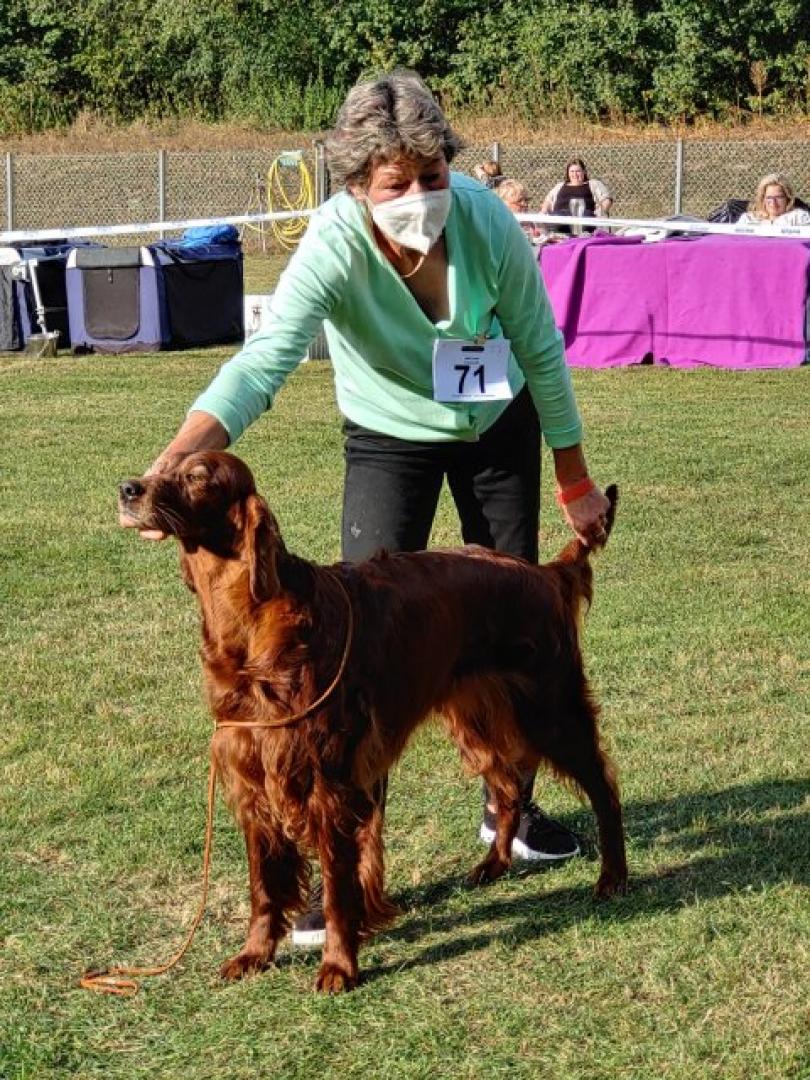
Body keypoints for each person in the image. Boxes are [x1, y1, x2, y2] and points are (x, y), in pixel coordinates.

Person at [132, 70, 611, 948]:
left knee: (510, 628)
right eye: (397, 183)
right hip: (388, 436)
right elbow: (265, 360)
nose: (421, 197)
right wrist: (175, 458)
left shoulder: (488, 220)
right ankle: (348, 874)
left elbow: (542, 348)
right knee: (360, 660)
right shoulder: (331, 246)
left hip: (497, 427)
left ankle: (512, 813)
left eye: (432, 175)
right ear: (357, 184)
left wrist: (574, 480)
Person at [540, 157, 613, 219]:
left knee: (587, 215)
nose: (575, 174)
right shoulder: (559, 186)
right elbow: (548, 201)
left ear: (584, 172)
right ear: (568, 173)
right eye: (572, 171)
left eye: (578, 171)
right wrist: (544, 211)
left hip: (586, 220)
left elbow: (606, 199)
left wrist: (601, 211)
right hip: (560, 220)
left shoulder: (594, 184)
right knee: (558, 215)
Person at [736, 173, 810, 226]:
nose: (773, 202)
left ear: (788, 198)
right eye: (769, 198)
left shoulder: (799, 218)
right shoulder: (748, 219)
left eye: (778, 197)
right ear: (763, 199)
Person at [496, 178, 544, 242]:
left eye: (526, 200)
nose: (525, 204)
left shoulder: (531, 223)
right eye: (519, 201)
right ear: (504, 203)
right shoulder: (498, 225)